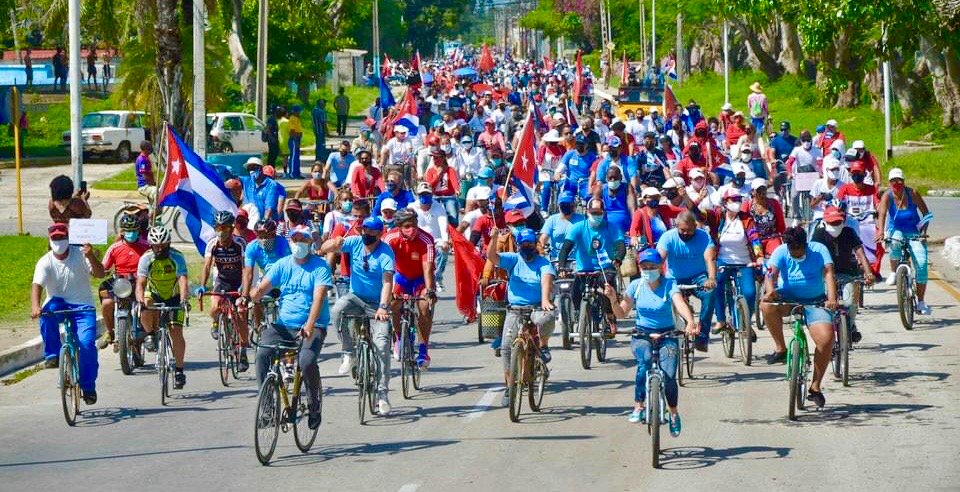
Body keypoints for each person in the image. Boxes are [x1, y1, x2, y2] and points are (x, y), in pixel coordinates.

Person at [606, 249, 698, 434]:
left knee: (669, 375)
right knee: (644, 363)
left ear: (660, 267)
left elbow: (680, 303)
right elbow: (621, 313)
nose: (648, 270)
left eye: (652, 266)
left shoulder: (669, 285)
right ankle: (638, 406)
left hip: (667, 334)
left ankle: (673, 413)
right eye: (644, 267)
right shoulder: (636, 286)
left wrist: (690, 322)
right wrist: (613, 300)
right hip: (642, 334)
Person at [251, 225, 332, 430]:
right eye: (295, 240)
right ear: (290, 242)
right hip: (284, 324)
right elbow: (263, 287)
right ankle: (267, 407)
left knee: (306, 361)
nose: (299, 244)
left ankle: (314, 404)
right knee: (262, 354)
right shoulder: (282, 264)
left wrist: (310, 324)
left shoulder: (320, 267)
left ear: (310, 242)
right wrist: (253, 295)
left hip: (313, 325)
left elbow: (318, 298)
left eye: (303, 240)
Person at [322, 217, 396, 416]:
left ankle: (382, 394)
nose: (366, 233)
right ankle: (349, 352)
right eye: (364, 229)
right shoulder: (354, 242)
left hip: (377, 304)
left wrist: (383, 307)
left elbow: (387, 282)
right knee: (337, 311)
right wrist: (335, 242)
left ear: (379, 233)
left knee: (381, 345)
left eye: (371, 231)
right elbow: (324, 248)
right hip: (356, 297)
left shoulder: (386, 252)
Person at [760, 226, 838, 408]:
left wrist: (832, 299)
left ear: (806, 244)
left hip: (815, 301)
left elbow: (828, 273)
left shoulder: (819, 250)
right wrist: (770, 291)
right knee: (765, 305)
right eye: (792, 250)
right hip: (787, 299)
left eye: (799, 249)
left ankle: (815, 386)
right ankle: (781, 348)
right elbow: (770, 274)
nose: (795, 253)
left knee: (827, 339)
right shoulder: (780, 251)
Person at [31, 224, 105, 403]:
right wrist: (35, 306)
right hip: (58, 303)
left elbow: (100, 273)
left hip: (83, 307)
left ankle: (88, 387)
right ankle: (52, 355)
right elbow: (37, 285)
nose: (59, 242)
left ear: (68, 238)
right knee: (46, 315)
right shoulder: (45, 261)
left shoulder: (81, 254)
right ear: (50, 240)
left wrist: (91, 256)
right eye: (55, 238)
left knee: (86, 345)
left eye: (62, 238)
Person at [488, 227, 556, 406]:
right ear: (518, 245)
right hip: (515, 309)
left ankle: (543, 346)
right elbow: (493, 257)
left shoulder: (543, 263)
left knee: (547, 318)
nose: (527, 247)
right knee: (506, 347)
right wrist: (493, 239)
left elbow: (546, 280)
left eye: (530, 244)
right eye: (523, 244)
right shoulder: (513, 259)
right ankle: (510, 386)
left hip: (536, 306)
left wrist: (545, 300)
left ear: (535, 245)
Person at [557, 199, 626, 335]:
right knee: (575, 290)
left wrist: (618, 258)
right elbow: (566, 248)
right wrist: (561, 266)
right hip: (584, 269)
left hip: (605, 268)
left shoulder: (611, 227)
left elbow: (620, 246)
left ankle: (609, 315)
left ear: (604, 213)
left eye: (599, 213)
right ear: (587, 212)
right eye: (593, 213)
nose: (596, 216)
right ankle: (579, 313)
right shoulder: (578, 227)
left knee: (607, 287)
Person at [701, 189, 763, 335]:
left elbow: (754, 238)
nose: (737, 202)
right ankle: (721, 320)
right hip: (722, 261)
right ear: (724, 202)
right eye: (733, 199)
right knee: (715, 285)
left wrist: (759, 256)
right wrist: (694, 199)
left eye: (739, 199)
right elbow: (699, 214)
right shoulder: (718, 216)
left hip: (744, 262)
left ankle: (746, 321)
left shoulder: (746, 219)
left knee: (750, 293)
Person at [656, 211, 718, 352]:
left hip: (698, 277)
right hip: (674, 278)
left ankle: (702, 336)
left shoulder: (704, 236)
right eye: (682, 230)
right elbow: (660, 259)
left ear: (695, 226)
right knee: (664, 299)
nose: (685, 233)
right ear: (676, 226)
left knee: (710, 293)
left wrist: (711, 278)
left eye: (689, 230)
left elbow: (710, 259)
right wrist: (656, 275)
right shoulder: (668, 237)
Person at [136, 226, 190, 388]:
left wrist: (183, 300)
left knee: (176, 332)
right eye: (156, 246)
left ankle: (179, 370)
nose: (160, 249)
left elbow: (182, 280)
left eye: (163, 245)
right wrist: (139, 300)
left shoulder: (177, 256)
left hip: (174, 297)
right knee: (145, 305)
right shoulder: (146, 258)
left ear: (169, 244)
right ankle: (150, 334)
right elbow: (140, 283)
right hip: (155, 294)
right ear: (151, 245)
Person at [811, 206, 875, 340]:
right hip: (825, 275)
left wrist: (868, 273)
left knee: (851, 301)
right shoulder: (818, 234)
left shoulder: (849, 232)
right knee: (825, 302)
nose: (835, 225)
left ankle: (850, 325)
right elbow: (812, 256)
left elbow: (861, 253)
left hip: (848, 272)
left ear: (843, 221)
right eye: (832, 222)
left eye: (838, 222)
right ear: (825, 222)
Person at [198, 211, 250, 371]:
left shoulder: (240, 243)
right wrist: (202, 285)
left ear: (231, 228)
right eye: (218, 228)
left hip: (238, 282)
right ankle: (215, 322)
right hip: (222, 281)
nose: (221, 232)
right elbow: (207, 266)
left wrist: (244, 289)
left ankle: (243, 351)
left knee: (241, 315)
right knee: (215, 307)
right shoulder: (212, 244)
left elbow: (245, 269)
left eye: (225, 228)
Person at [384, 209, 437, 367]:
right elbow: (386, 266)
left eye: (414, 225)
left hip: (421, 278)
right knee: (393, 303)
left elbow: (428, 268)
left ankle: (423, 349)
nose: (412, 229)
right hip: (400, 277)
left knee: (424, 306)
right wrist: (388, 291)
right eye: (407, 226)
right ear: (399, 226)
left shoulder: (426, 239)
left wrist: (430, 291)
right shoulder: (390, 238)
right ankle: (399, 338)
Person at [877, 168, 933, 314]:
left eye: (899, 180)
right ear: (889, 183)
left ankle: (921, 302)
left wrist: (923, 232)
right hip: (896, 230)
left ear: (904, 181)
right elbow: (882, 214)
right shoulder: (887, 196)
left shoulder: (912, 193)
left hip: (914, 232)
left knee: (922, 264)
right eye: (893, 181)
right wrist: (881, 231)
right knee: (895, 242)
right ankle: (893, 272)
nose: (896, 184)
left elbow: (927, 214)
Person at [96, 214, 149, 351]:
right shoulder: (114, 248)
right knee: (107, 303)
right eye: (128, 230)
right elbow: (104, 267)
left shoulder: (146, 246)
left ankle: (150, 332)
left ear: (138, 230)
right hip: (120, 283)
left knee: (148, 303)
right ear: (122, 231)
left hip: (140, 282)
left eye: (134, 230)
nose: (131, 233)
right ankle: (110, 332)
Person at [836, 162, 880, 276]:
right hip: (851, 222)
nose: (856, 176)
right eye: (854, 173)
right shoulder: (845, 189)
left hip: (868, 222)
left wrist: (878, 210)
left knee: (878, 244)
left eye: (859, 173)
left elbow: (878, 205)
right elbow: (838, 204)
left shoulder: (872, 189)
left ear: (864, 174)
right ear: (850, 174)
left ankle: (873, 269)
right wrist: (841, 208)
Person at [409, 182, 452, 291]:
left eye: (427, 194)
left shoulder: (438, 207)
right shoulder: (411, 207)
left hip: (435, 240)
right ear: (418, 195)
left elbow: (443, 224)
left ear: (432, 195)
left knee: (444, 250)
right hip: (416, 240)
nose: (424, 196)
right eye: (422, 194)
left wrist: (445, 240)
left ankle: (437, 278)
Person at [742, 178, 787, 259]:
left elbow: (781, 226)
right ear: (753, 192)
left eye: (764, 189)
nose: (762, 193)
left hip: (772, 238)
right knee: (758, 259)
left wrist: (786, 240)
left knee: (775, 257)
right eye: (758, 190)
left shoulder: (774, 203)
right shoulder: (747, 205)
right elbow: (743, 225)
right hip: (754, 239)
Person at [539, 191, 584, 259]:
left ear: (574, 205)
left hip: (576, 258)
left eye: (568, 204)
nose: (565, 206)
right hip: (556, 258)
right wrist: (540, 249)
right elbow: (543, 238)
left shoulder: (582, 220)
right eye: (563, 204)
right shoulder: (552, 219)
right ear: (559, 205)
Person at [599, 165, 635, 237]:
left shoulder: (627, 187)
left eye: (615, 178)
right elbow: (594, 206)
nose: (613, 180)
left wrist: (633, 229)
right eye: (610, 178)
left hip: (626, 231)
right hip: (606, 231)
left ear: (620, 177)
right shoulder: (601, 189)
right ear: (606, 178)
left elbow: (632, 209)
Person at [287, 105, 304, 178]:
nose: (300, 113)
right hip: (294, 139)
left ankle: (297, 173)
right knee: (293, 157)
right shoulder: (292, 118)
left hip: (297, 139)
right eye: (299, 111)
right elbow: (292, 131)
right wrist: (296, 139)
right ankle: (292, 173)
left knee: (297, 157)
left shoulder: (297, 119)